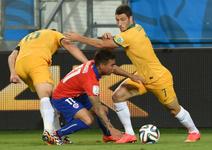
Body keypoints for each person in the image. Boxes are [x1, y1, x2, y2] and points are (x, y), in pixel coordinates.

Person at [64, 4, 201, 143]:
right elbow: (113, 42)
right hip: (140, 77)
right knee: (117, 96)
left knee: (173, 109)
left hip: (159, 78)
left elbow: (104, 45)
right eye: (117, 20)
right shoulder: (136, 27)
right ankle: (130, 134)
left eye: (123, 19)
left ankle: (194, 131)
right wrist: (108, 37)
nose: (119, 23)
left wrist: (79, 37)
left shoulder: (131, 34)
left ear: (131, 18)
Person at [8, 29, 88, 144]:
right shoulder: (55, 33)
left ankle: (57, 134)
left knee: (50, 98)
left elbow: (11, 56)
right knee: (46, 96)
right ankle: (49, 132)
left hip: (20, 67)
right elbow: (69, 45)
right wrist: (87, 62)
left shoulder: (26, 38)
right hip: (36, 61)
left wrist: (13, 73)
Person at [46, 49, 143, 145]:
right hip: (62, 97)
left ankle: (108, 135)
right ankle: (55, 135)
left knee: (103, 110)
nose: (113, 67)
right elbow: (96, 107)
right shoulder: (90, 80)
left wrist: (131, 76)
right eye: (111, 65)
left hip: (77, 94)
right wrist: (111, 127)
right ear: (101, 65)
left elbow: (115, 69)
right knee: (88, 119)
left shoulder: (94, 64)